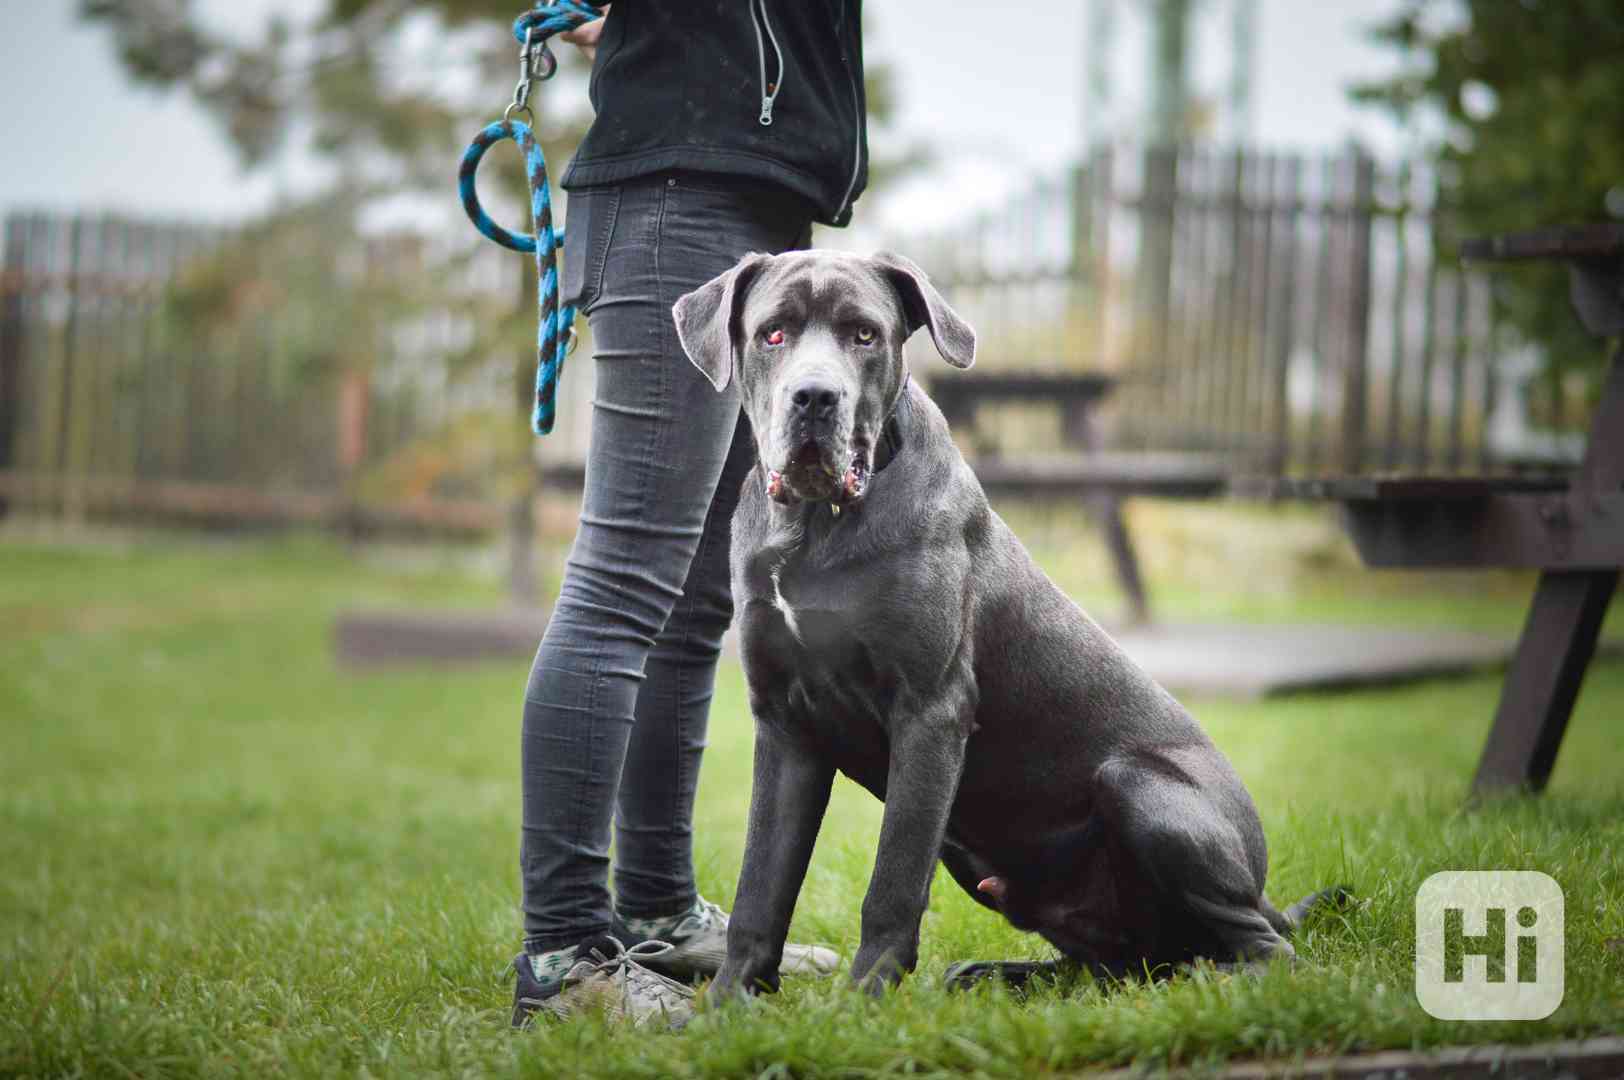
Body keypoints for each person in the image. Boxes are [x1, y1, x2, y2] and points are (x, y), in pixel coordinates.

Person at [511, 1, 870, 1028]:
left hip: (751, 201)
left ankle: (656, 912)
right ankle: (565, 952)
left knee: (694, 597)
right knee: (624, 581)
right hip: (677, 200)